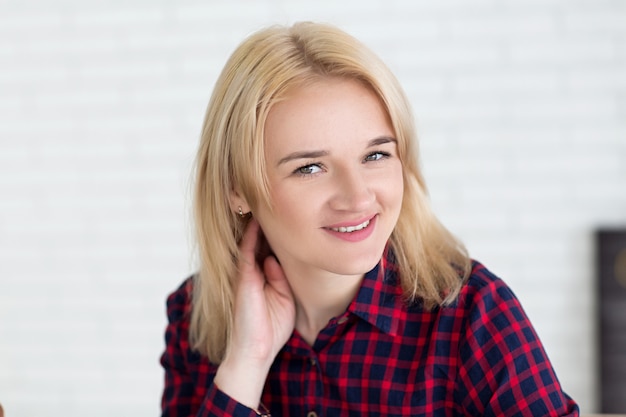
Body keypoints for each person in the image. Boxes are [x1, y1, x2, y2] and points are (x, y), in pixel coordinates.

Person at [160, 22, 579, 417]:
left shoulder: (473, 315)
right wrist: (245, 366)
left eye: (375, 155)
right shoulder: (194, 315)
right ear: (238, 188)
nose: (358, 196)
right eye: (310, 167)